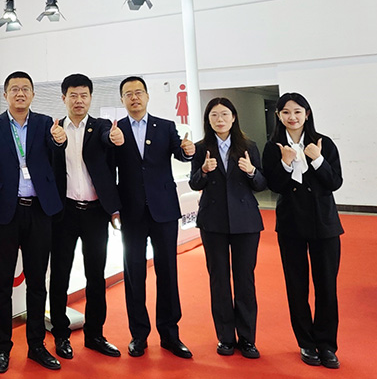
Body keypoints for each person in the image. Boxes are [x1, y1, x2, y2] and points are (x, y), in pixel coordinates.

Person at [0, 71, 63, 373]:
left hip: (39, 211)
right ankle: (3, 348)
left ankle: (37, 345)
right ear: (6, 95)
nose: (20, 93)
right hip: (5, 213)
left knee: (37, 283)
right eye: (14, 89)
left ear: (33, 94)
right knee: (2, 285)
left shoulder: (45, 123)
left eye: (25, 88)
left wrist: (60, 141)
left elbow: (56, 159)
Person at [113, 76, 195, 359]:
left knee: (168, 272)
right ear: (122, 100)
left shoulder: (166, 126)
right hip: (131, 212)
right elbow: (108, 169)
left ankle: (170, 334)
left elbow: (180, 153)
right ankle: (139, 335)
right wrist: (113, 208)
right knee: (134, 274)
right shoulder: (115, 131)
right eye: (128, 94)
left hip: (164, 210)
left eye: (138, 92)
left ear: (147, 96)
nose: (134, 98)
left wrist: (188, 152)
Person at [262, 92, 343, 370]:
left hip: (324, 223)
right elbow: (274, 185)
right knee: (296, 286)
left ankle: (327, 345)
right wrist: (285, 163)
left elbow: (335, 182)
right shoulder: (273, 146)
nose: (292, 117)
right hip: (291, 224)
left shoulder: (324, 143)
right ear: (278, 116)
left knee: (326, 286)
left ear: (307, 114)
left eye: (297, 111)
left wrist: (317, 159)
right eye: (286, 112)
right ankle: (306, 342)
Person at [48, 74, 123, 361]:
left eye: (84, 95)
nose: (78, 101)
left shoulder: (102, 127)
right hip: (64, 214)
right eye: (73, 95)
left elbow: (108, 140)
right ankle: (61, 334)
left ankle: (95, 334)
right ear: (63, 98)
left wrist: (115, 138)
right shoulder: (54, 130)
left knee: (96, 276)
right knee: (60, 276)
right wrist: (56, 142)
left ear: (90, 98)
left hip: (94, 214)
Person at [188, 98, 265, 359]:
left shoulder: (248, 146)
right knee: (219, 280)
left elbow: (261, 183)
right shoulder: (201, 148)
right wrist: (204, 171)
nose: (219, 119)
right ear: (208, 120)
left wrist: (252, 171)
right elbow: (194, 183)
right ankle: (225, 337)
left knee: (245, 280)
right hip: (213, 221)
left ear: (233, 117)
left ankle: (248, 338)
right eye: (214, 115)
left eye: (224, 114)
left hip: (245, 221)